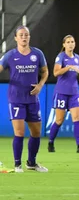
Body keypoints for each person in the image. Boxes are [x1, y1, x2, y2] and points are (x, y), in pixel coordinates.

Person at [0, 26, 49, 172]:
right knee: (19, 132)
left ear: (29, 37)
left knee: (36, 132)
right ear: (15, 38)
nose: (24, 37)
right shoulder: (10, 55)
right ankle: (17, 164)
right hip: (16, 99)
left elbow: (45, 72)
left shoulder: (37, 54)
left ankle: (31, 163)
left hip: (33, 99)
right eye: (21, 35)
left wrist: (40, 85)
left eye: (26, 35)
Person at [47, 35, 79, 153]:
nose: (71, 44)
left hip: (74, 92)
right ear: (64, 45)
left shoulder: (77, 57)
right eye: (68, 42)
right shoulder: (61, 57)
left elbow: (75, 74)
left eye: (72, 42)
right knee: (59, 120)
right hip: (61, 92)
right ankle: (50, 142)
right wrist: (69, 67)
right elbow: (56, 73)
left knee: (76, 117)